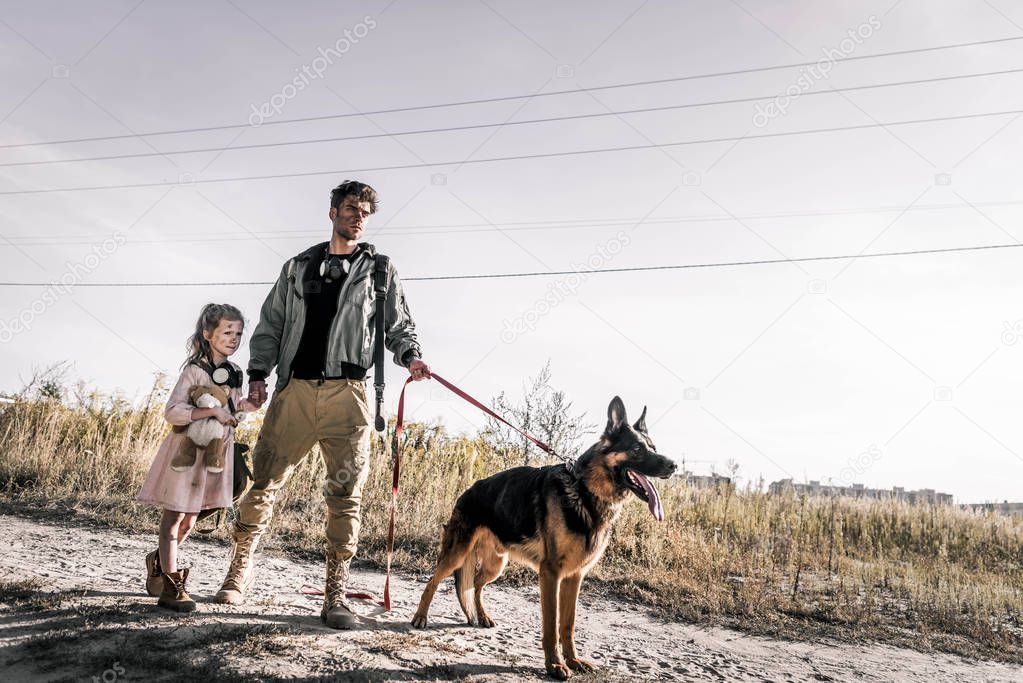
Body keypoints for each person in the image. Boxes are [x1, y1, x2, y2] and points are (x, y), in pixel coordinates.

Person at [215, 180, 431, 630]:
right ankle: (238, 572)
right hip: (294, 392)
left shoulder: (380, 272)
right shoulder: (297, 268)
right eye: (351, 208)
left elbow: (399, 327)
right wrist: (258, 377)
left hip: (349, 398)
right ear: (332, 212)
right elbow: (271, 326)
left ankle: (335, 594)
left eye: (365, 212)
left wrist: (411, 357)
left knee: (345, 497)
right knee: (264, 484)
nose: (358, 216)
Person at [137, 303, 259, 612]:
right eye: (226, 332)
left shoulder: (234, 373)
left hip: (213, 455)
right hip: (185, 453)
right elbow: (172, 412)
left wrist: (246, 406)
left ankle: (158, 560)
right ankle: (172, 585)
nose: (234, 339)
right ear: (207, 334)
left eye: (238, 334)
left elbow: (230, 413)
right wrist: (210, 411)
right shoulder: (194, 370)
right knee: (174, 516)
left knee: (191, 521)